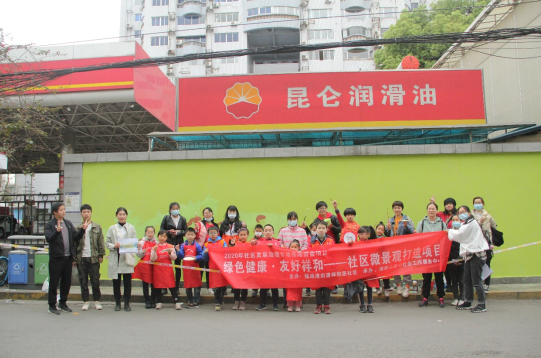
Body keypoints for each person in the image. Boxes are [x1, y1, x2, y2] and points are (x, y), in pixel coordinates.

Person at [44, 202, 85, 315]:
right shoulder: (50, 225)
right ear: (55, 212)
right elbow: (49, 239)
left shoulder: (68, 224)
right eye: (61, 210)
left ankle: (63, 303)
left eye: (64, 209)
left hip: (68, 258)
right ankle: (52, 305)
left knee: (66, 282)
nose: (63, 211)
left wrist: (82, 230)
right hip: (56, 258)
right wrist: (56, 232)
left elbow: (75, 237)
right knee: (54, 282)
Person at [448, 205, 489, 313]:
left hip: (476, 254)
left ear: (469, 213)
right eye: (459, 212)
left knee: (476, 281)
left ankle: (481, 304)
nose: (461, 214)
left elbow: (460, 235)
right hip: (469, 255)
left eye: (463, 212)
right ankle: (468, 301)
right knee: (467, 280)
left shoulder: (471, 223)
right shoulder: (466, 223)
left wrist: (448, 232)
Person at [75, 204, 105, 311]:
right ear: (81, 214)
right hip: (81, 258)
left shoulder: (96, 227)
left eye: (88, 211)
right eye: (84, 212)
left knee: (95, 280)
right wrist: (74, 259)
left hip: (94, 258)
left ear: (91, 213)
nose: (86, 214)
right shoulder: (78, 228)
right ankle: (85, 301)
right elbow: (75, 244)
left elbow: (100, 241)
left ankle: (97, 300)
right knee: (83, 280)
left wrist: (101, 254)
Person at [106, 207, 137, 312]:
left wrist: (129, 246)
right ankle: (117, 302)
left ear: (126, 216)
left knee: (128, 282)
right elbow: (107, 242)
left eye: (124, 214)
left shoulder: (131, 228)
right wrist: (114, 245)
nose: (122, 216)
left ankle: (127, 303)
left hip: (126, 257)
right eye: (120, 214)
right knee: (116, 282)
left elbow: (134, 242)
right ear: (116, 216)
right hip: (116, 256)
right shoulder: (112, 228)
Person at [417, 202, 447, 308]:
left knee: (439, 277)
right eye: (429, 209)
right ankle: (425, 297)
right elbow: (417, 237)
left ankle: (441, 297)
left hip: (438, 254)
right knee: (426, 277)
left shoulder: (442, 223)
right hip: (426, 254)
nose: (431, 211)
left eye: (433, 209)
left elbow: (445, 237)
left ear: (436, 210)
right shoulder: (422, 223)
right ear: (427, 210)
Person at [385, 200, 414, 298]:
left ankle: (407, 286)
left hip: (404, 247)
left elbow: (411, 231)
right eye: (395, 208)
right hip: (394, 247)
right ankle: (398, 286)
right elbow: (387, 234)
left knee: (405, 266)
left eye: (399, 208)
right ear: (393, 209)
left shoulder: (406, 219)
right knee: (396, 267)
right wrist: (388, 229)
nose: (397, 210)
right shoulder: (390, 220)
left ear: (402, 209)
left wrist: (406, 227)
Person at [160, 202, 187, 293]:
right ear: (170, 210)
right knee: (166, 266)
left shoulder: (183, 219)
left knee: (177, 266)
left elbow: (186, 231)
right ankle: (164, 286)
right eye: (173, 209)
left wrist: (178, 232)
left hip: (178, 244)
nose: (175, 210)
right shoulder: (166, 218)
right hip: (168, 244)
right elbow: (161, 230)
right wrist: (169, 232)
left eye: (177, 208)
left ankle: (176, 287)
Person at [254, 224, 282, 311]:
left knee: (274, 287)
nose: (268, 232)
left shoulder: (277, 242)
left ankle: (275, 304)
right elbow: (253, 253)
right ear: (263, 232)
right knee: (263, 287)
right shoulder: (258, 242)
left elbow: (281, 252)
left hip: (274, 268)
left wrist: (274, 248)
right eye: (266, 230)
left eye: (270, 230)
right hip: (263, 267)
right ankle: (262, 304)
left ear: (273, 232)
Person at [152, 230, 181, 310]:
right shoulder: (154, 246)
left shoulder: (170, 246)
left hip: (167, 270)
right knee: (158, 286)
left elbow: (174, 258)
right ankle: (159, 302)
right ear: (158, 237)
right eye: (161, 236)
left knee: (171, 285)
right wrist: (154, 251)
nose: (162, 238)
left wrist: (169, 253)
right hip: (158, 270)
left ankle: (176, 302)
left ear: (167, 238)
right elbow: (153, 259)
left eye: (164, 237)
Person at [472, 197, 497, 292]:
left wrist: (492, 240)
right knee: (475, 264)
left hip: (486, 243)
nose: (477, 204)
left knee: (487, 263)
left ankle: (486, 284)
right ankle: (476, 283)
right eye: (475, 202)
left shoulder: (488, 216)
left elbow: (494, 227)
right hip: (475, 243)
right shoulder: (471, 215)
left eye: (479, 202)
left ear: (483, 204)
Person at [202, 226, 228, 311]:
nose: (213, 234)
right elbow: (204, 259)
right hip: (213, 268)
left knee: (223, 285)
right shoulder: (206, 244)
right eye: (211, 233)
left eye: (214, 233)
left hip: (222, 267)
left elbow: (227, 254)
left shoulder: (222, 242)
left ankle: (221, 299)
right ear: (208, 234)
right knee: (216, 286)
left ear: (218, 233)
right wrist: (205, 253)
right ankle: (217, 302)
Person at [311, 221, 334, 314]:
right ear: (315, 229)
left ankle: (327, 306)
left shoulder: (330, 241)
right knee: (318, 288)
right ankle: (318, 305)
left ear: (327, 229)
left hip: (327, 267)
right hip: (316, 267)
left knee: (326, 288)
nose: (321, 230)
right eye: (319, 228)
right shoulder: (312, 241)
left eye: (323, 228)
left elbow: (333, 253)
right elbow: (309, 252)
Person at [177, 227, 203, 309]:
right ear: (185, 235)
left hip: (195, 267)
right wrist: (178, 251)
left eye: (192, 235)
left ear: (195, 235)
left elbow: (201, 255)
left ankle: (196, 300)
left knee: (196, 285)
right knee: (188, 285)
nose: (190, 236)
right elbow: (181, 256)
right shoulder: (183, 245)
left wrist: (196, 258)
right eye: (188, 235)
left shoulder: (197, 245)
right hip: (186, 268)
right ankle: (189, 300)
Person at [133, 226, 157, 309]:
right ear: (145, 233)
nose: (150, 234)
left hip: (153, 266)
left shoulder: (156, 243)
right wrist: (142, 252)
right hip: (144, 266)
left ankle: (153, 300)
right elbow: (138, 255)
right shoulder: (141, 242)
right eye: (148, 232)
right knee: (145, 284)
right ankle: (147, 300)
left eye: (152, 232)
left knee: (154, 284)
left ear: (154, 233)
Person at [231, 227, 250, 310]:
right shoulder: (236, 244)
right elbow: (231, 253)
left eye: (244, 235)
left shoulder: (250, 244)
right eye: (241, 235)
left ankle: (243, 301)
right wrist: (231, 245)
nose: (242, 236)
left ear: (247, 235)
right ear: (238, 236)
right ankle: (236, 301)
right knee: (236, 286)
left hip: (246, 267)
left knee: (244, 286)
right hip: (237, 267)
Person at [448, 215, 465, 306]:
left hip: (462, 260)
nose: (455, 221)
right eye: (453, 220)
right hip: (451, 261)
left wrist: (459, 258)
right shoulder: (449, 232)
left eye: (457, 220)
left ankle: (462, 297)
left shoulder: (464, 231)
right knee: (453, 280)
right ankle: (455, 298)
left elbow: (465, 245)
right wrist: (452, 259)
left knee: (461, 280)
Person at [201, 207, 217, 295]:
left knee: (209, 269)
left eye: (209, 212)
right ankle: (198, 287)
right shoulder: (201, 224)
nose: (208, 214)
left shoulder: (215, 225)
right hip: (203, 249)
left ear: (212, 214)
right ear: (203, 215)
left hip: (212, 250)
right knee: (201, 269)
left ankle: (209, 287)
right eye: (206, 213)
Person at [286, 240, 303, 312]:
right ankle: (290, 305)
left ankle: (298, 305)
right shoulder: (286, 255)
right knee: (289, 292)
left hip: (298, 277)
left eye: (295, 247)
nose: (293, 248)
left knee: (298, 292)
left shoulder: (301, 254)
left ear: (299, 248)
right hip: (289, 276)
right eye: (292, 247)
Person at [375, 222, 391, 297]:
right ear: (376, 229)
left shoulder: (385, 238)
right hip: (375, 258)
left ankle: (386, 288)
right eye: (379, 229)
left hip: (384, 258)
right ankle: (377, 288)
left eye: (382, 230)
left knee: (385, 274)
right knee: (376, 274)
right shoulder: (372, 238)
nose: (380, 231)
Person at [251, 224, 265, 298]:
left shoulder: (265, 240)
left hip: (263, 261)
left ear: (263, 232)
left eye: (260, 231)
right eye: (257, 231)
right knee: (255, 276)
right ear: (254, 231)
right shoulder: (251, 240)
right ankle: (254, 289)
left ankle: (266, 289)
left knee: (264, 276)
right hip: (254, 261)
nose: (258, 233)